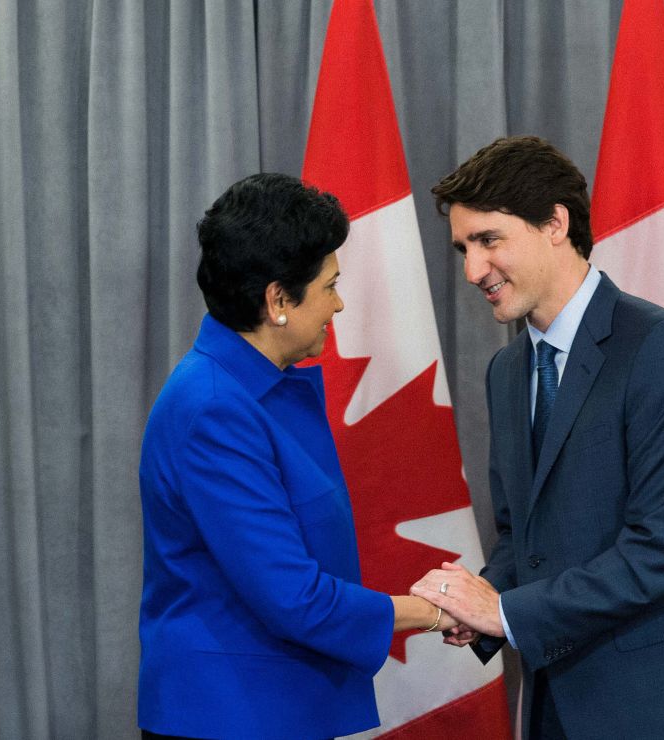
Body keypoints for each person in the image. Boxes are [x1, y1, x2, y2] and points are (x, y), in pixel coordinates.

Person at [412, 137, 664, 738]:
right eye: (463, 249)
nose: (473, 271)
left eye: (489, 240)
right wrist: (475, 601)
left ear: (556, 223)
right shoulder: (507, 372)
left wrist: (502, 611)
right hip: (559, 701)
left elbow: (662, 547)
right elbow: (521, 535)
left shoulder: (661, 347)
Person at [137, 173, 453, 740]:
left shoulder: (254, 388)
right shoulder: (214, 408)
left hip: (274, 707)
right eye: (330, 285)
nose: (339, 303)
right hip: (232, 717)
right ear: (278, 300)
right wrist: (432, 611)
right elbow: (292, 597)